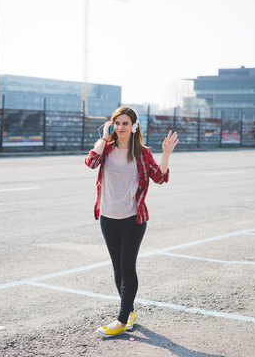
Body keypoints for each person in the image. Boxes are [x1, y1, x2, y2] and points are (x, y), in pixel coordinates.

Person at [85, 106, 179, 337]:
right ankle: (130, 312)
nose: (120, 127)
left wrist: (166, 154)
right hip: (108, 217)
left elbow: (159, 177)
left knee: (127, 267)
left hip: (133, 219)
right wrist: (104, 138)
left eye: (125, 123)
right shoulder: (106, 148)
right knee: (117, 268)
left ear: (134, 126)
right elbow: (90, 162)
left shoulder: (142, 152)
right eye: (116, 123)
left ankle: (121, 320)